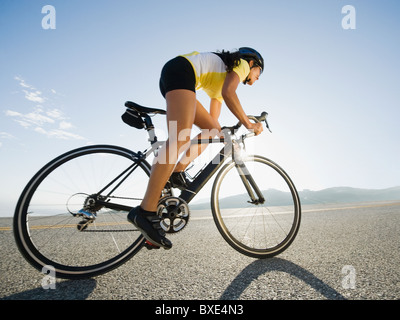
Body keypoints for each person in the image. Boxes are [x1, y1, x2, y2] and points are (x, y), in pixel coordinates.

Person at [127, 47, 264, 249]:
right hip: (181, 72)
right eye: (259, 72)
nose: (258, 78)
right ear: (253, 63)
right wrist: (248, 123)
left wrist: (224, 134)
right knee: (180, 137)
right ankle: (145, 212)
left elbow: (214, 120)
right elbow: (230, 93)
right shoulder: (242, 64)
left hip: (178, 74)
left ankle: (177, 171)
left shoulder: (220, 79)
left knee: (213, 130)